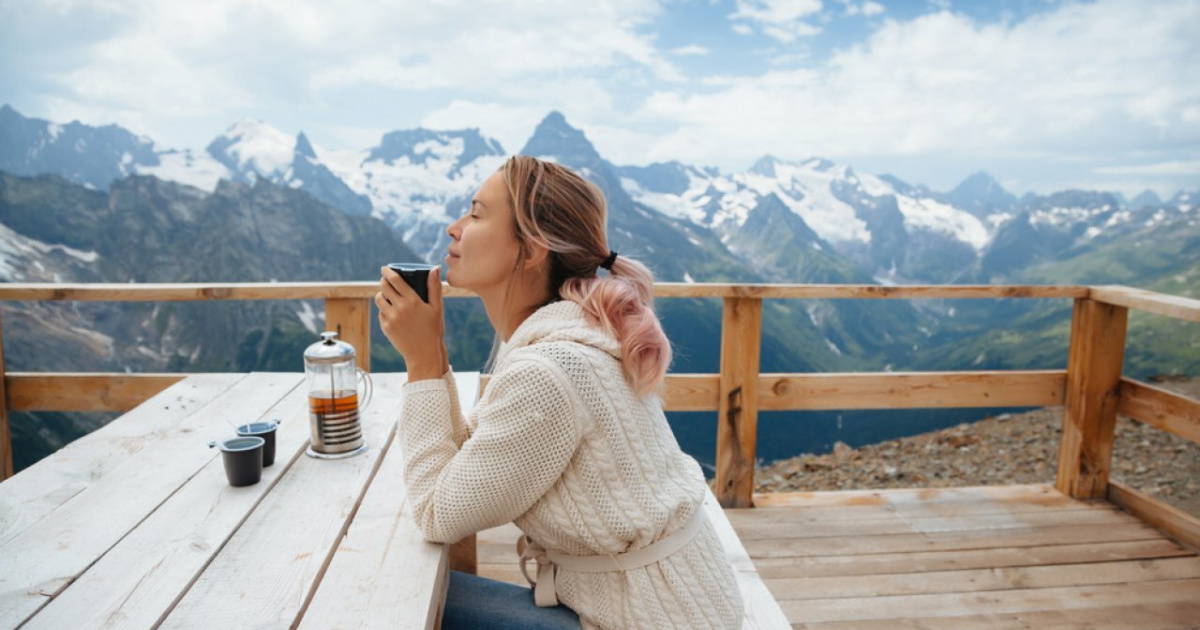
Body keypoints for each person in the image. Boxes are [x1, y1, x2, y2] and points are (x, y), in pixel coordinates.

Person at [376, 155, 744, 629]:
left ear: (531, 250)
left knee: (393, 600)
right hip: (676, 605)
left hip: (645, 618)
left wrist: (422, 362)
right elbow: (475, 455)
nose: (454, 227)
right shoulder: (570, 337)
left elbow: (435, 513)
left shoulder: (549, 371)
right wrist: (434, 353)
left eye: (476, 213)